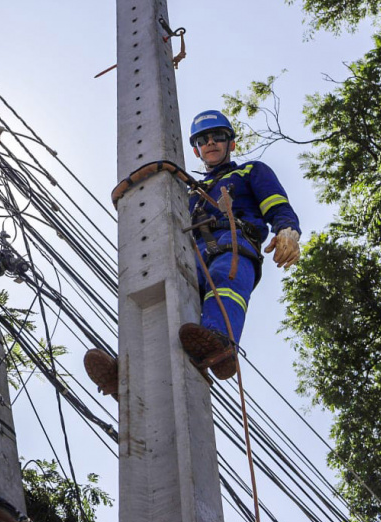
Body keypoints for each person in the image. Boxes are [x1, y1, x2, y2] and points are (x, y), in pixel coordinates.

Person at [85, 109, 301, 395]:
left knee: (225, 278)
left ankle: (220, 343)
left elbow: (276, 204)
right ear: (196, 150)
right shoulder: (186, 191)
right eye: (203, 140)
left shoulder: (250, 171)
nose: (210, 143)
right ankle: (127, 370)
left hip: (234, 242)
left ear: (231, 143)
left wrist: (287, 230)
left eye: (218, 137)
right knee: (162, 298)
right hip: (191, 250)